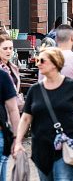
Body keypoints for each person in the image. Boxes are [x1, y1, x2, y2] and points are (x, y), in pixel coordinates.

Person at [15, 47, 73, 180]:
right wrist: (18, 141)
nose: (38, 64)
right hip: (41, 147)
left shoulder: (71, 87)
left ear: (55, 63)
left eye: (42, 61)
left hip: (66, 145)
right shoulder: (35, 90)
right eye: (37, 60)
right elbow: (26, 118)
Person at [0, 43, 20, 181]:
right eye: (5, 48)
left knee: (4, 162)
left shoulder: (8, 72)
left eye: (10, 48)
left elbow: (13, 109)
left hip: (3, 125)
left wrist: (16, 137)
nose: (8, 51)